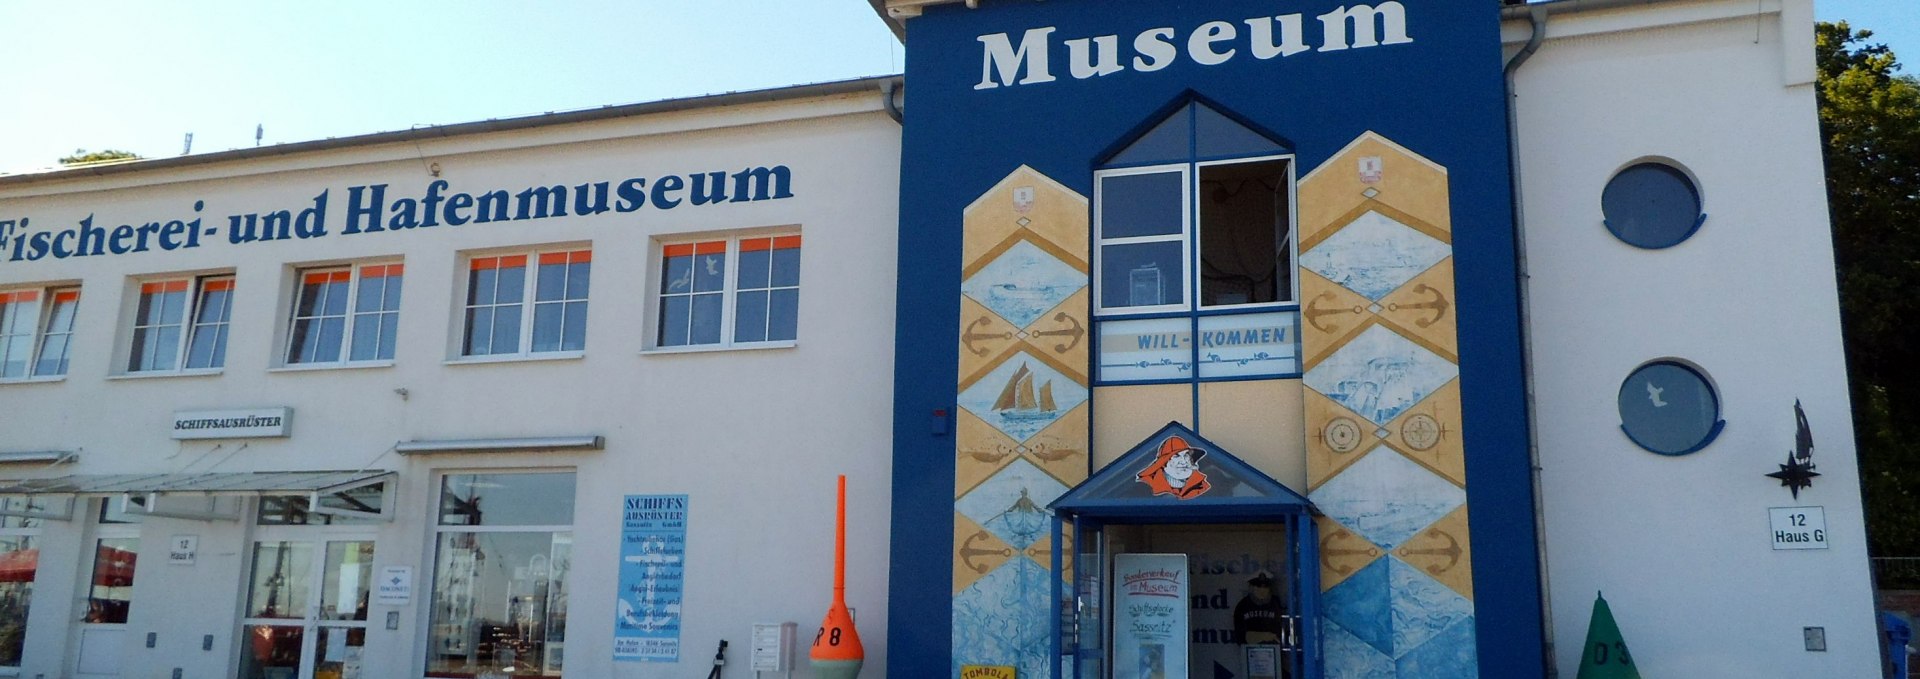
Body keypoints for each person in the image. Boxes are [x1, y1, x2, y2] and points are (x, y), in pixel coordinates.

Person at [1233, 572, 1287, 646]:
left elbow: (1284, 630)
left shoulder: (1276, 603)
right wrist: (1264, 636)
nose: (1262, 590)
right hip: (1250, 651)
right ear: (1251, 588)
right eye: (1258, 587)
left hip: (1274, 650)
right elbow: (1240, 636)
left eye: (1265, 587)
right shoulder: (1243, 606)